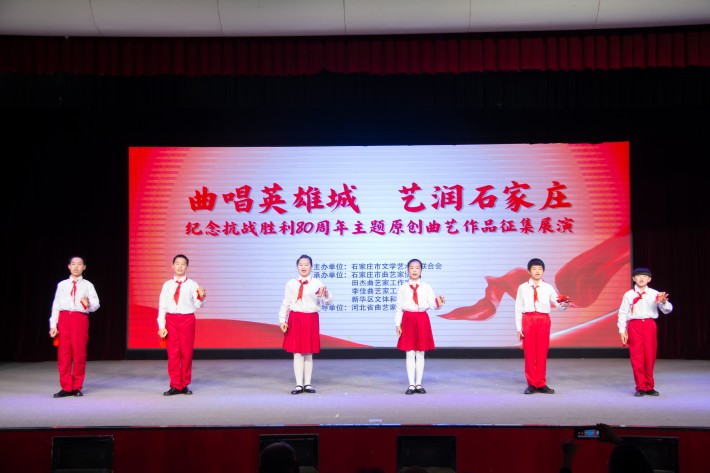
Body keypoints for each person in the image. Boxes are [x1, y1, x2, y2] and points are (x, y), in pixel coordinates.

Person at [278, 254, 333, 394]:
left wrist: (326, 295)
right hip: (295, 319)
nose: (303, 267)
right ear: (297, 266)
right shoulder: (291, 283)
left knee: (308, 352)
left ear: (311, 266)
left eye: (306, 264)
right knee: (297, 352)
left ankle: (307, 384)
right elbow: (286, 302)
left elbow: (326, 302)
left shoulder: (317, 283)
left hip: (311, 319)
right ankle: (298, 385)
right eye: (301, 264)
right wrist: (282, 319)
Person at [515, 257, 569, 394]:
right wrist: (518, 327)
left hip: (543, 320)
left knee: (542, 351)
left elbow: (558, 305)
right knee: (529, 353)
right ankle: (531, 383)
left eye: (540, 269)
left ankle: (541, 383)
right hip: (528, 319)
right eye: (534, 269)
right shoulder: (522, 288)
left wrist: (564, 304)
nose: (537, 271)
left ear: (543, 271)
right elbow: (518, 308)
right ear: (529, 271)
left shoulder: (548, 287)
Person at [48, 256, 101, 398]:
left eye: (79, 264)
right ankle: (66, 386)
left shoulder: (88, 285)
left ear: (84, 267)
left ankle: (77, 386)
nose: (76, 267)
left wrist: (88, 304)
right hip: (64, 318)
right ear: (69, 266)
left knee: (79, 353)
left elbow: (96, 304)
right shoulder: (62, 285)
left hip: (79, 319)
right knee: (64, 354)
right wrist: (53, 325)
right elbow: (56, 305)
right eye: (73, 264)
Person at [617, 267, 672, 397]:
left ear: (649, 279)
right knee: (637, 357)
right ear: (633, 278)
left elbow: (667, 310)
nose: (641, 278)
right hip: (634, 325)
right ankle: (640, 387)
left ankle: (649, 386)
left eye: (645, 276)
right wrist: (622, 330)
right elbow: (622, 312)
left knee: (650, 355)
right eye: (638, 276)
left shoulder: (655, 293)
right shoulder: (628, 295)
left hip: (649, 325)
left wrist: (664, 302)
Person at [157, 254, 206, 396]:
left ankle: (184, 384)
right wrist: (161, 326)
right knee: (173, 354)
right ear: (172, 266)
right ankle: (175, 385)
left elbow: (198, 305)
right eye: (177, 263)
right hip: (171, 320)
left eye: (183, 264)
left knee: (186, 353)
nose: (180, 266)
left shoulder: (192, 284)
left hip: (187, 320)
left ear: (187, 267)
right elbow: (162, 306)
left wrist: (201, 297)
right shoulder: (167, 285)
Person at [395, 258, 445, 395]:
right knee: (410, 352)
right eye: (412, 268)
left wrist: (438, 303)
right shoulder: (403, 288)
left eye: (417, 268)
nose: (414, 270)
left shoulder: (426, 287)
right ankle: (411, 385)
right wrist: (397, 324)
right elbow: (399, 308)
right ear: (407, 270)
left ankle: (419, 384)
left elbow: (432, 305)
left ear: (421, 270)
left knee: (421, 352)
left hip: (422, 319)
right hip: (408, 319)